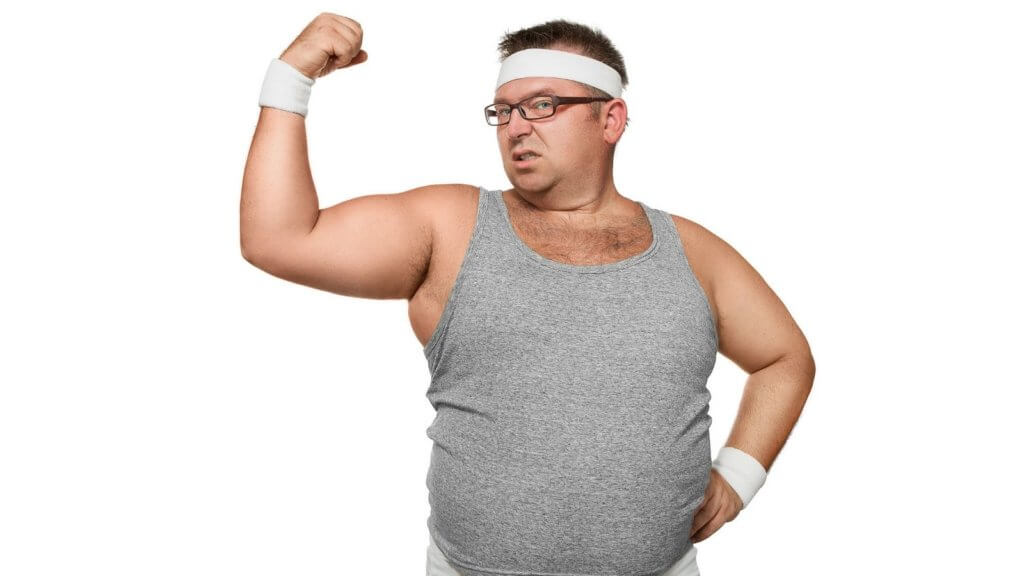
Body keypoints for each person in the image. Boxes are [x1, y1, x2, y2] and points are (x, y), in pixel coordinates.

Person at [241, 13, 816, 576]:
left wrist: (739, 476)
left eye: (543, 105)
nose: (516, 127)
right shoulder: (450, 226)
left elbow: (785, 358)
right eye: (504, 111)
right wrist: (291, 77)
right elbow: (279, 239)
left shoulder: (694, 251)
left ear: (611, 119)